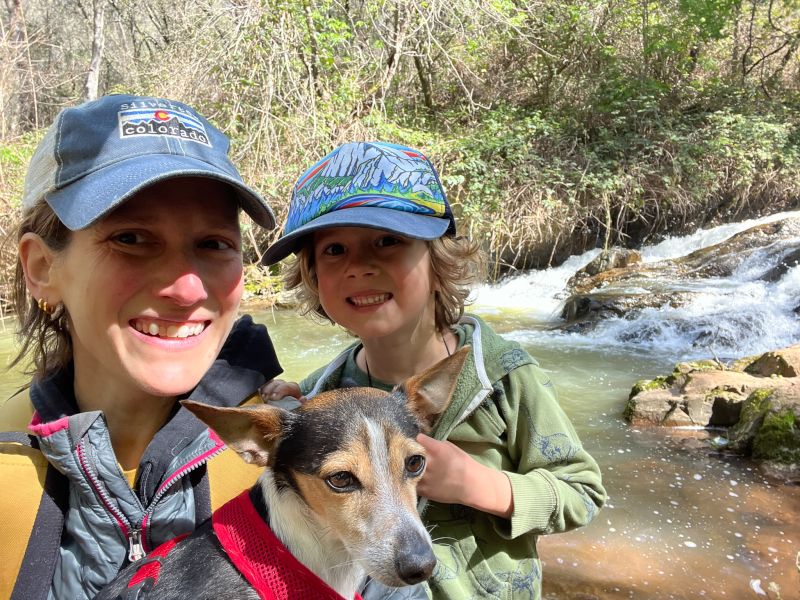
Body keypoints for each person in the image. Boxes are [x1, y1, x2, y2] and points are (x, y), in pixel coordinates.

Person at [259, 141, 607, 600]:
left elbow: (583, 492)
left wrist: (481, 485)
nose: (359, 267)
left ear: (437, 261)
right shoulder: (325, 389)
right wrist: (285, 396)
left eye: (387, 241)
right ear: (312, 277)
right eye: (335, 250)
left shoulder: (504, 378)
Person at [0, 94, 283, 600]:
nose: (187, 289)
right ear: (42, 268)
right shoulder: (7, 470)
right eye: (131, 238)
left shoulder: (305, 456)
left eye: (213, 244)